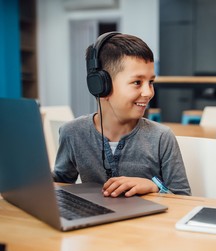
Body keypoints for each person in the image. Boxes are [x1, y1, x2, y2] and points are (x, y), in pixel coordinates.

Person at [52, 32, 191, 197]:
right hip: (95, 219)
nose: (148, 92)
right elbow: (60, 182)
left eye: (151, 82)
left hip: (144, 223)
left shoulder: (161, 137)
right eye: (137, 82)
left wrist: (154, 186)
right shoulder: (73, 133)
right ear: (101, 85)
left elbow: (183, 197)